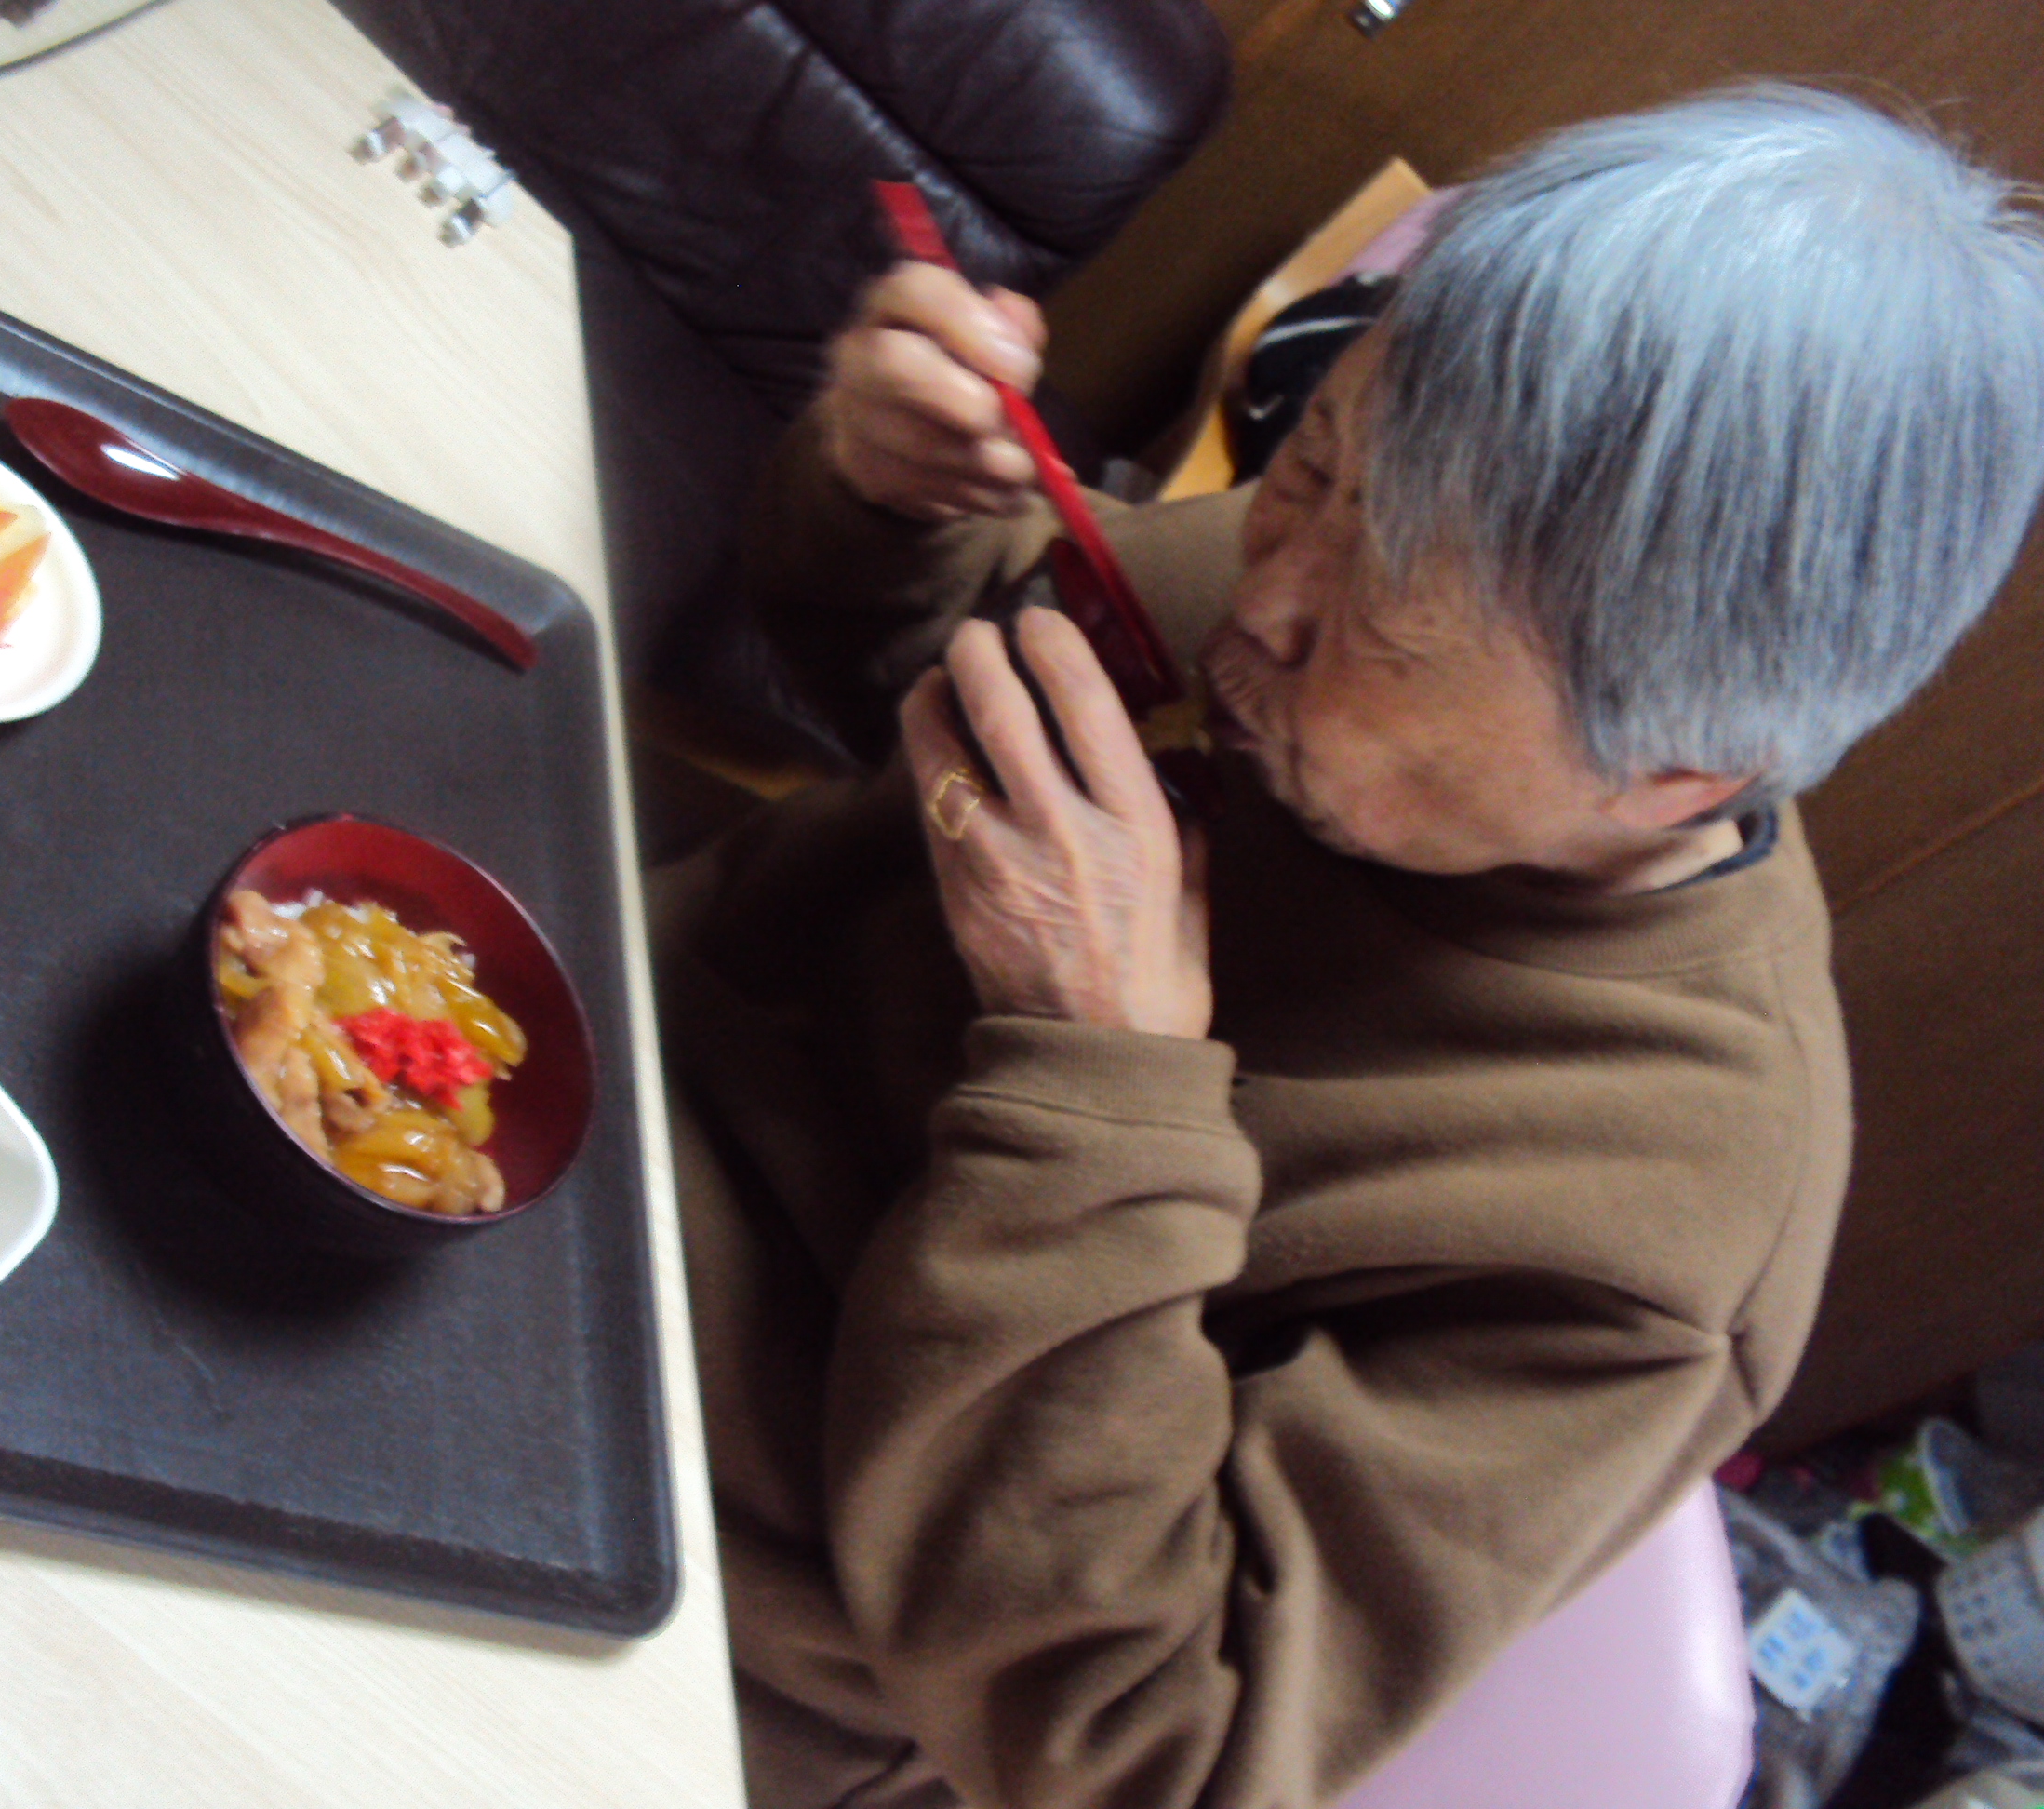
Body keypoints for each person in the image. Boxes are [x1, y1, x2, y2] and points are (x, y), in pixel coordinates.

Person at [652, 86, 2044, 1809]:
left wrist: (1102, 1091)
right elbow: (952, 682)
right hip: (579, 1038)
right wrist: (893, 501)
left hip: (706, 1586)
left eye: (1383, 623)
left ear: (1679, 769)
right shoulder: (1346, 570)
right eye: (1309, 465)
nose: (1263, 597)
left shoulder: (1653, 1232)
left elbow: (1137, 1748)